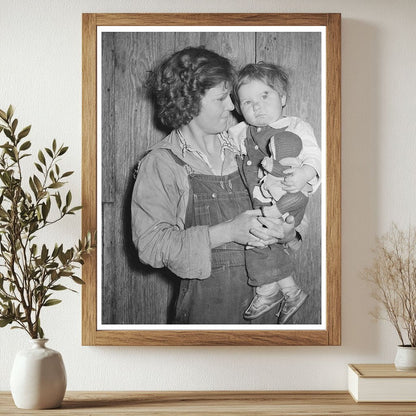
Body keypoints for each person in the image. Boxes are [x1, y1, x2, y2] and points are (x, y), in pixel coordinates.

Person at [131, 47, 302, 324]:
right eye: (222, 98)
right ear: (190, 102)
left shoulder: (248, 146)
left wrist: (288, 233)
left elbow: (293, 217)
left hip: (271, 315)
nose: (233, 107)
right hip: (207, 318)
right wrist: (228, 231)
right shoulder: (162, 163)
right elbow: (151, 246)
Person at [229, 63, 321, 323]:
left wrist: (305, 173)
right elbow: (219, 141)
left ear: (283, 97)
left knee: (258, 237)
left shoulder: (295, 126)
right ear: (239, 108)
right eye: (247, 102)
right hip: (262, 200)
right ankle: (288, 291)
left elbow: (315, 155)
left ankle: (267, 290)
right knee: (260, 237)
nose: (256, 106)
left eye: (264, 96)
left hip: (287, 198)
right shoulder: (240, 131)